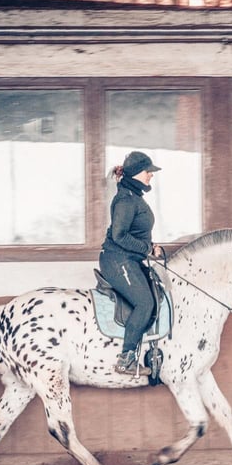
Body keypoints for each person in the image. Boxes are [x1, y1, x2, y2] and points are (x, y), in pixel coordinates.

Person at [100, 151, 164, 375]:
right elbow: (119, 236)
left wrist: (151, 247)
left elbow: (135, 233)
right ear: (137, 173)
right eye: (148, 172)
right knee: (145, 303)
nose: (151, 175)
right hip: (117, 260)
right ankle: (126, 359)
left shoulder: (134, 197)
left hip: (129, 259)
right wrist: (146, 249)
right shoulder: (126, 199)